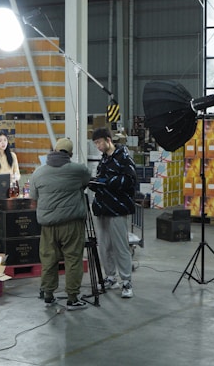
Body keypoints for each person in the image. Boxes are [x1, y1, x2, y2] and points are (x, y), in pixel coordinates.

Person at [30, 138, 91, 311]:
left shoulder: (38, 173)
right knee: (73, 259)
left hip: (48, 225)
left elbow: (33, 198)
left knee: (48, 259)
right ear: (70, 154)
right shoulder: (78, 170)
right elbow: (86, 182)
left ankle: (48, 295)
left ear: (54, 150)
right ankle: (72, 298)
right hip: (71, 224)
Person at [90, 127, 137, 299]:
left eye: (99, 142)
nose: (98, 146)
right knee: (104, 246)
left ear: (108, 140)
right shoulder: (104, 159)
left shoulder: (123, 158)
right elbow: (101, 178)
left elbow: (130, 181)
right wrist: (95, 183)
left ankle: (126, 281)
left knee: (120, 246)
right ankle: (110, 277)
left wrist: (107, 182)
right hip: (102, 208)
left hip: (117, 209)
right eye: (95, 143)